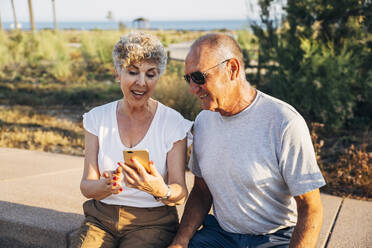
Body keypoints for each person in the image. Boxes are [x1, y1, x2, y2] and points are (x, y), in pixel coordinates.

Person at [169, 33, 326, 248]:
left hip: (275, 238)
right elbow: (201, 191)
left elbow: (311, 208)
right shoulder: (203, 121)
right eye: (188, 78)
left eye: (199, 77)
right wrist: (180, 240)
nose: (192, 89)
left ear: (232, 69)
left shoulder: (284, 122)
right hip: (221, 236)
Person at [77, 32, 192, 248]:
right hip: (100, 219)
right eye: (132, 72)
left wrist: (160, 190)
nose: (141, 83)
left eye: (151, 74)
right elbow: (86, 186)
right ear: (117, 73)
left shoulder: (173, 122)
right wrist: (104, 185)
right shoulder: (97, 118)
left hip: (153, 222)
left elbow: (180, 192)